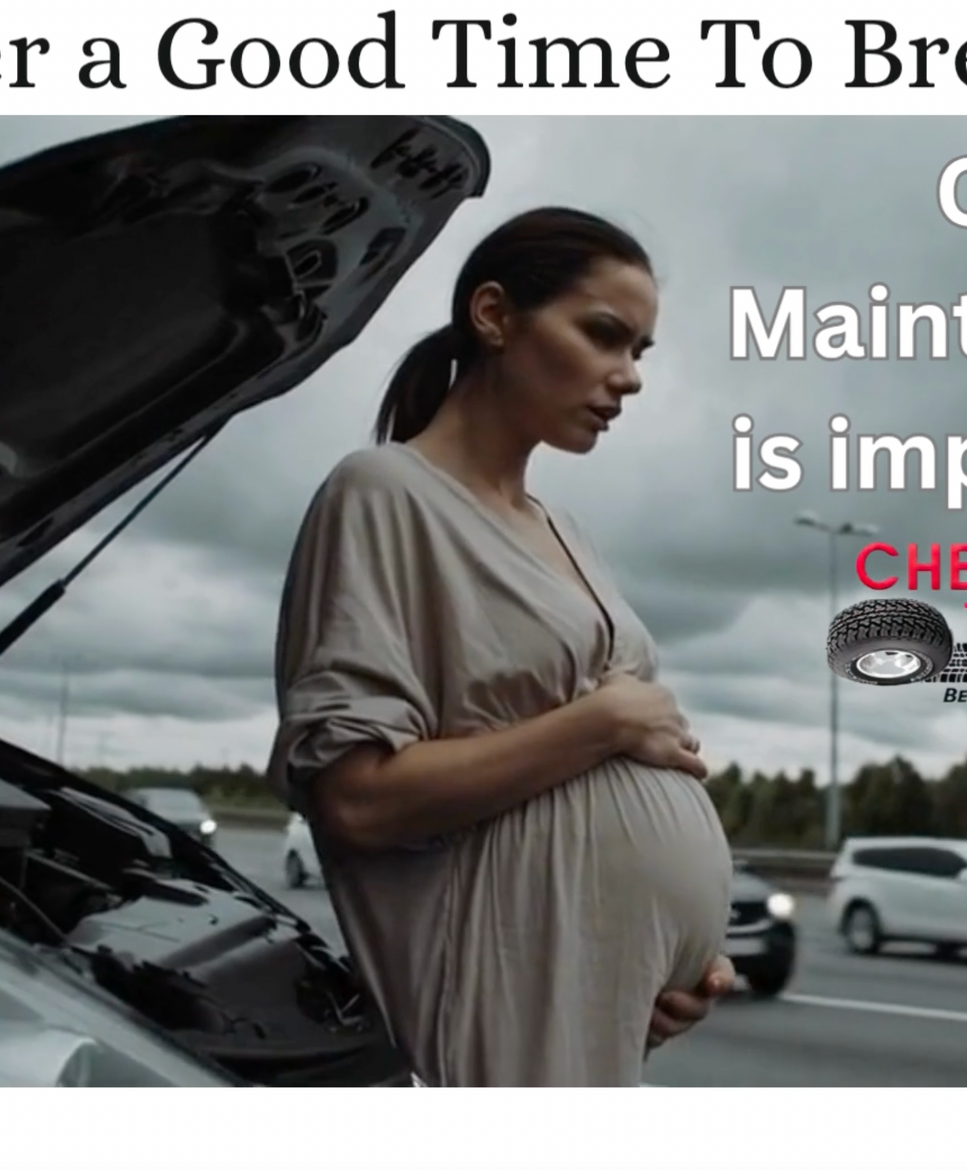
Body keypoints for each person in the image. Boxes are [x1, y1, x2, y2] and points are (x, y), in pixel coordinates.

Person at [264, 206, 736, 1087]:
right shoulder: (384, 493)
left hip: (588, 1004)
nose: (629, 377)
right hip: (498, 1012)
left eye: (639, 351)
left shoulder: (564, 529)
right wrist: (604, 723)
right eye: (604, 335)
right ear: (494, 316)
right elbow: (355, 802)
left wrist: (669, 964)